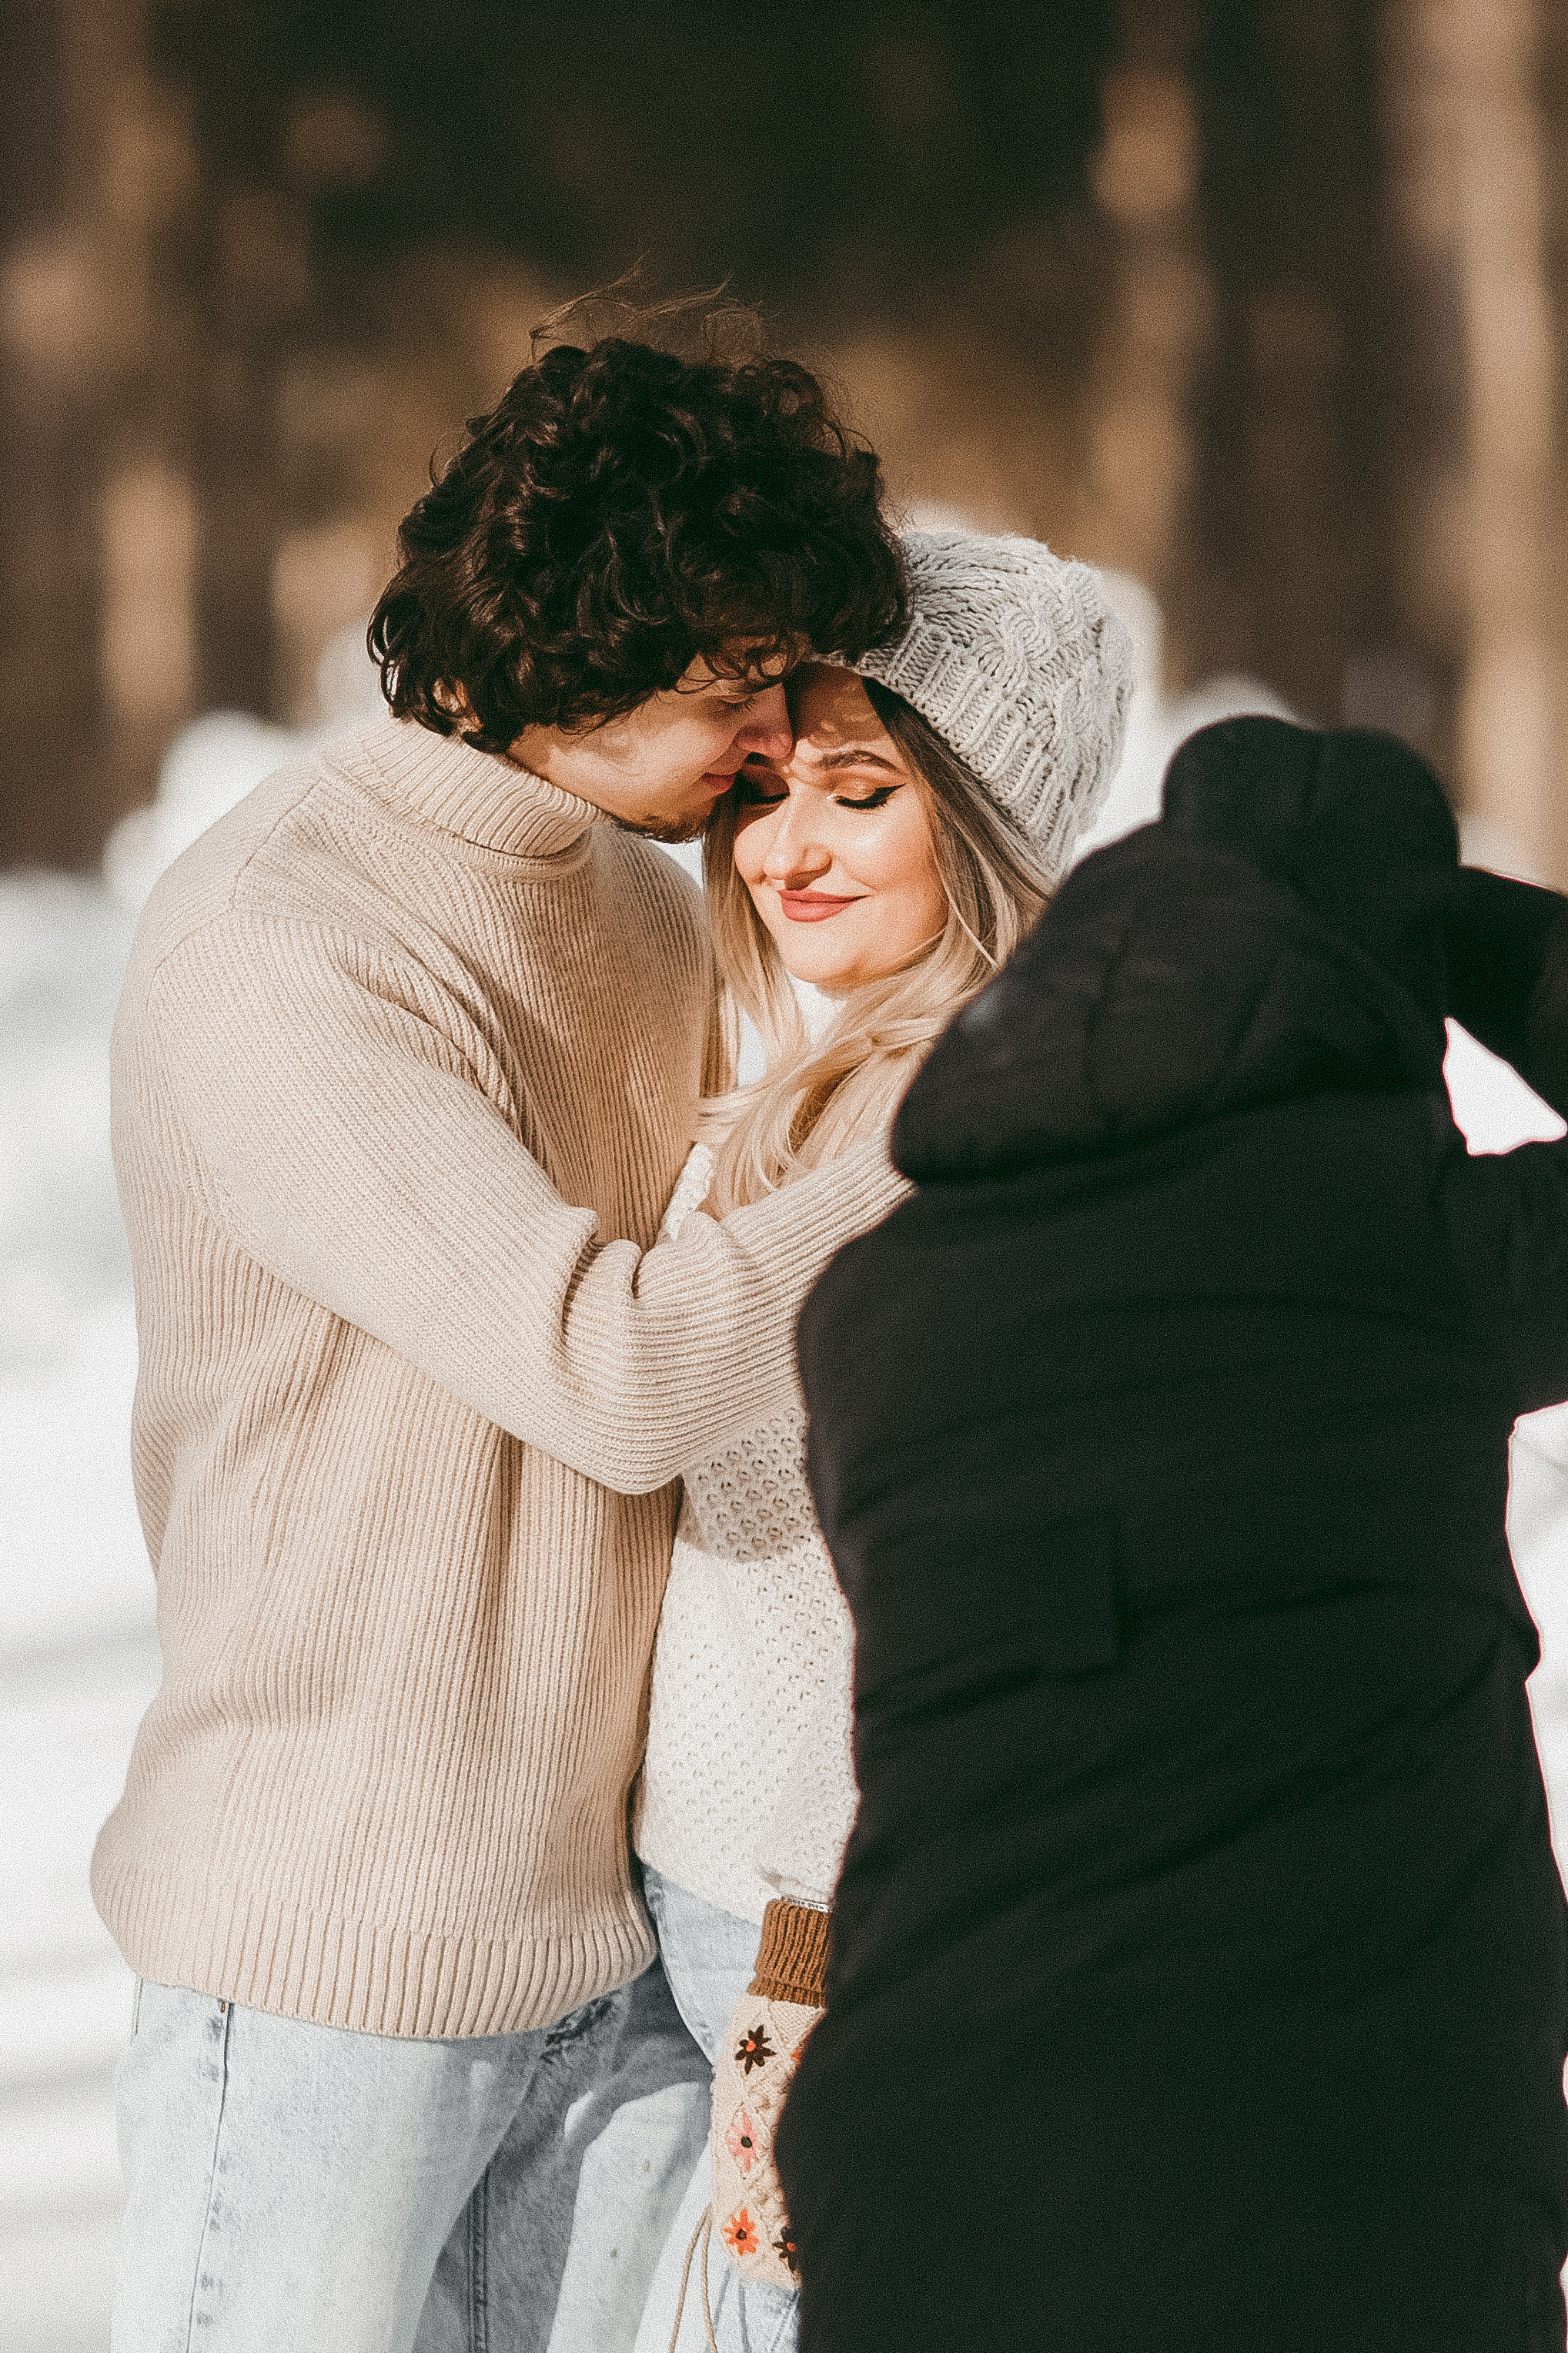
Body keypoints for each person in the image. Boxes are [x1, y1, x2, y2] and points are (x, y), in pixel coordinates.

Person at [99, 311, 911, 2353]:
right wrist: (943, 1137)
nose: (763, 739)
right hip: (331, 1969)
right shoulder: (290, 936)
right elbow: (618, 1370)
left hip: (609, 1956)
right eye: (734, 680)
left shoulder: (637, 909)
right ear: (566, 636)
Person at [781, 712, 1568, 2351]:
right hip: (1335, 2187)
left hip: (926, 2184)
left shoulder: (871, 1310)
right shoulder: (1413, 1260)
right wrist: (1487, 942)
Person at [627, 529, 1132, 2353]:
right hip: (750, 1903)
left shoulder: (954, 1121)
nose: (783, 848)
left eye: (860, 791)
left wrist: (843, 1933)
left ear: (985, 825)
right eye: (765, 791)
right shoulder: (825, 1086)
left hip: (834, 1920)